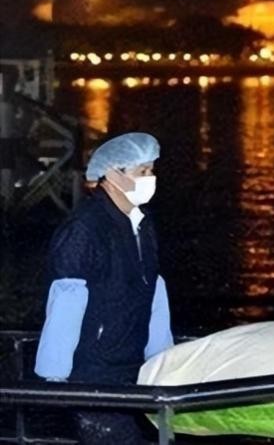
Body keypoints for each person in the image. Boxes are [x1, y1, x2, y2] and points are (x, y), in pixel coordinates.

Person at [34, 132, 174, 444]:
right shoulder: (85, 229)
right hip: (94, 376)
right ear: (112, 175)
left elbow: (152, 290)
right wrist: (55, 376)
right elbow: (66, 302)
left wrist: (161, 357)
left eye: (151, 170)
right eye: (142, 171)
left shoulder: (141, 223)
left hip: (132, 370)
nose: (150, 178)